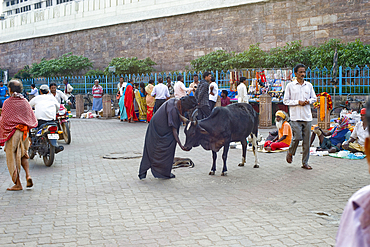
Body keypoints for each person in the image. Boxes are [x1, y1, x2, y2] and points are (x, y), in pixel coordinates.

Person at [336, 101, 370, 246]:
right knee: (346, 145)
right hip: (359, 145)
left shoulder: (360, 203)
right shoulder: (361, 202)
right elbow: (352, 137)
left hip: (362, 147)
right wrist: (346, 143)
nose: (362, 118)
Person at [138, 96, 197, 179]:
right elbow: (174, 131)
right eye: (187, 109)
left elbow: (179, 115)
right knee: (165, 146)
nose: (187, 111)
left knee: (156, 149)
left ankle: (162, 171)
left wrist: (186, 121)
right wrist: (181, 146)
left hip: (161, 127)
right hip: (158, 129)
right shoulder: (173, 109)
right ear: (184, 106)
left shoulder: (176, 101)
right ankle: (162, 172)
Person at [0, 79, 38, 191]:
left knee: (11, 157)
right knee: (23, 154)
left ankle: (18, 184)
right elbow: (30, 118)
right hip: (24, 133)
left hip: (12, 133)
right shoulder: (25, 102)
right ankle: (28, 175)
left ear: (10, 89)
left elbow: (4, 120)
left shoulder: (7, 102)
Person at [283, 64, 317, 170]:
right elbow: (285, 101)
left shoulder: (309, 85)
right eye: (300, 72)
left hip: (307, 117)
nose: (303, 74)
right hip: (295, 116)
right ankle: (290, 152)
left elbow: (314, 98)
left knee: (307, 142)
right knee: (297, 137)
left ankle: (305, 163)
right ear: (296, 73)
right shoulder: (290, 86)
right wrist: (298, 102)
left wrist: (308, 101)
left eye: (304, 72)